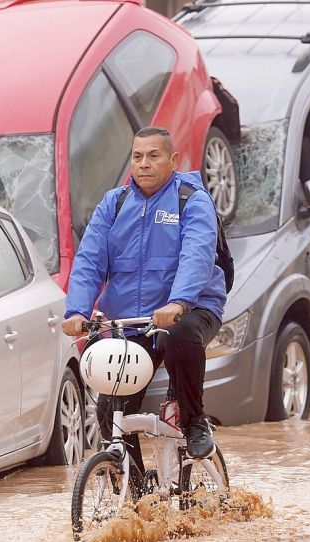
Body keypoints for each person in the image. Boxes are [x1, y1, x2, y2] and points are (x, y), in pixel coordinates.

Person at [62, 126, 226, 471]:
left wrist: (178, 302)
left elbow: (196, 254)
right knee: (110, 412)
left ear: (173, 160)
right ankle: (137, 495)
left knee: (179, 335)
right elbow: (90, 260)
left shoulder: (191, 200)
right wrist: (77, 310)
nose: (144, 164)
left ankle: (195, 422)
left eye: (154, 156)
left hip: (191, 310)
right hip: (132, 323)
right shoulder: (114, 203)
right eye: (138, 156)